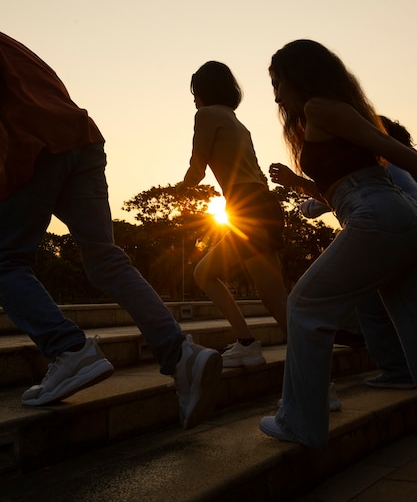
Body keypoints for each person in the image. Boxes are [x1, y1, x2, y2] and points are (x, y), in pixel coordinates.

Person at [0, 31, 222, 430]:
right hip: (80, 137)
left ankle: (67, 350)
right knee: (105, 258)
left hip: (34, 144)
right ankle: (181, 354)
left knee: (5, 260)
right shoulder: (9, 42)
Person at [259, 39, 417, 448]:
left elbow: (394, 153)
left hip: (377, 214)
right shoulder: (323, 115)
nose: (275, 93)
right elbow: (342, 188)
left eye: (277, 81)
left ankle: (301, 422)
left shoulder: (320, 107)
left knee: (305, 304)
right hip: (384, 214)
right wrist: (297, 184)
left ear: (300, 76)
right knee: (411, 322)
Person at [177, 61, 287, 368]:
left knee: (276, 301)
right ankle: (247, 342)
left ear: (204, 91)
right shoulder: (239, 123)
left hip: (248, 206)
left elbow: (197, 167)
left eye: (195, 92)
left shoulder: (206, 115)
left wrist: (181, 188)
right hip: (260, 203)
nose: (194, 99)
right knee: (207, 273)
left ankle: (319, 382)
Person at [294, 115, 417, 389]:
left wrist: (298, 190)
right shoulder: (401, 164)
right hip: (409, 229)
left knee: (360, 303)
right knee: (404, 308)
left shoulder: (377, 165)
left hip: (389, 231)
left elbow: (322, 203)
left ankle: (396, 370)